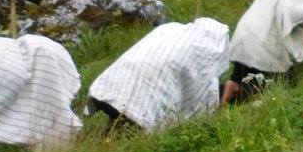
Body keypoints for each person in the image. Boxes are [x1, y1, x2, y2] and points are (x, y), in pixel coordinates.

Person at [90, 18, 229, 125]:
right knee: (129, 134)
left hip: (109, 84)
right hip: (143, 103)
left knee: (117, 126)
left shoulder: (170, 29)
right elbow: (200, 100)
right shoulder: (204, 52)